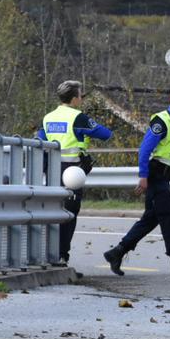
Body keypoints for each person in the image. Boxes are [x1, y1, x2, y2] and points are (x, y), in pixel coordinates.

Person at [102, 83, 170, 276]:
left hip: (165, 176)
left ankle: (117, 252)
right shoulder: (161, 121)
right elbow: (145, 149)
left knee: (150, 220)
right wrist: (143, 176)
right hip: (154, 177)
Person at [38, 80, 112, 264]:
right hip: (72, 172)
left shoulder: (48, 117)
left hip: (52, 171)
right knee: (69, 214)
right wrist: (85, 133)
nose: (81, 98)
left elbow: (40, 140)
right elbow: (106, 134)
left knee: (52, 213)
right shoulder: (78, 117)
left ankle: (48, 254)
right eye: (81, 95)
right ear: (74, 98)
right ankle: (62, 256)